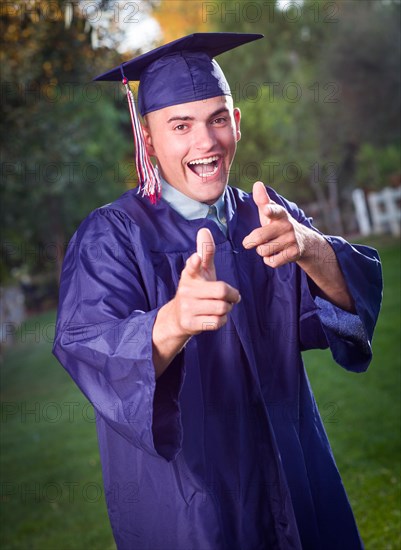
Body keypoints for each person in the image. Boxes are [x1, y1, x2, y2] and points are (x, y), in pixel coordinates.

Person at [53, 33, 382, 550]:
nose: (204, 142)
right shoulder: (111, 236)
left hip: (292, 473)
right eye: (180, 126)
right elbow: (87, 345)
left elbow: (345, 318)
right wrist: (174, 320)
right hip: (190, 501)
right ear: (148, 138)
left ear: (238, 124)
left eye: (217, 118)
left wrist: (313, 247)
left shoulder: (269, 216)